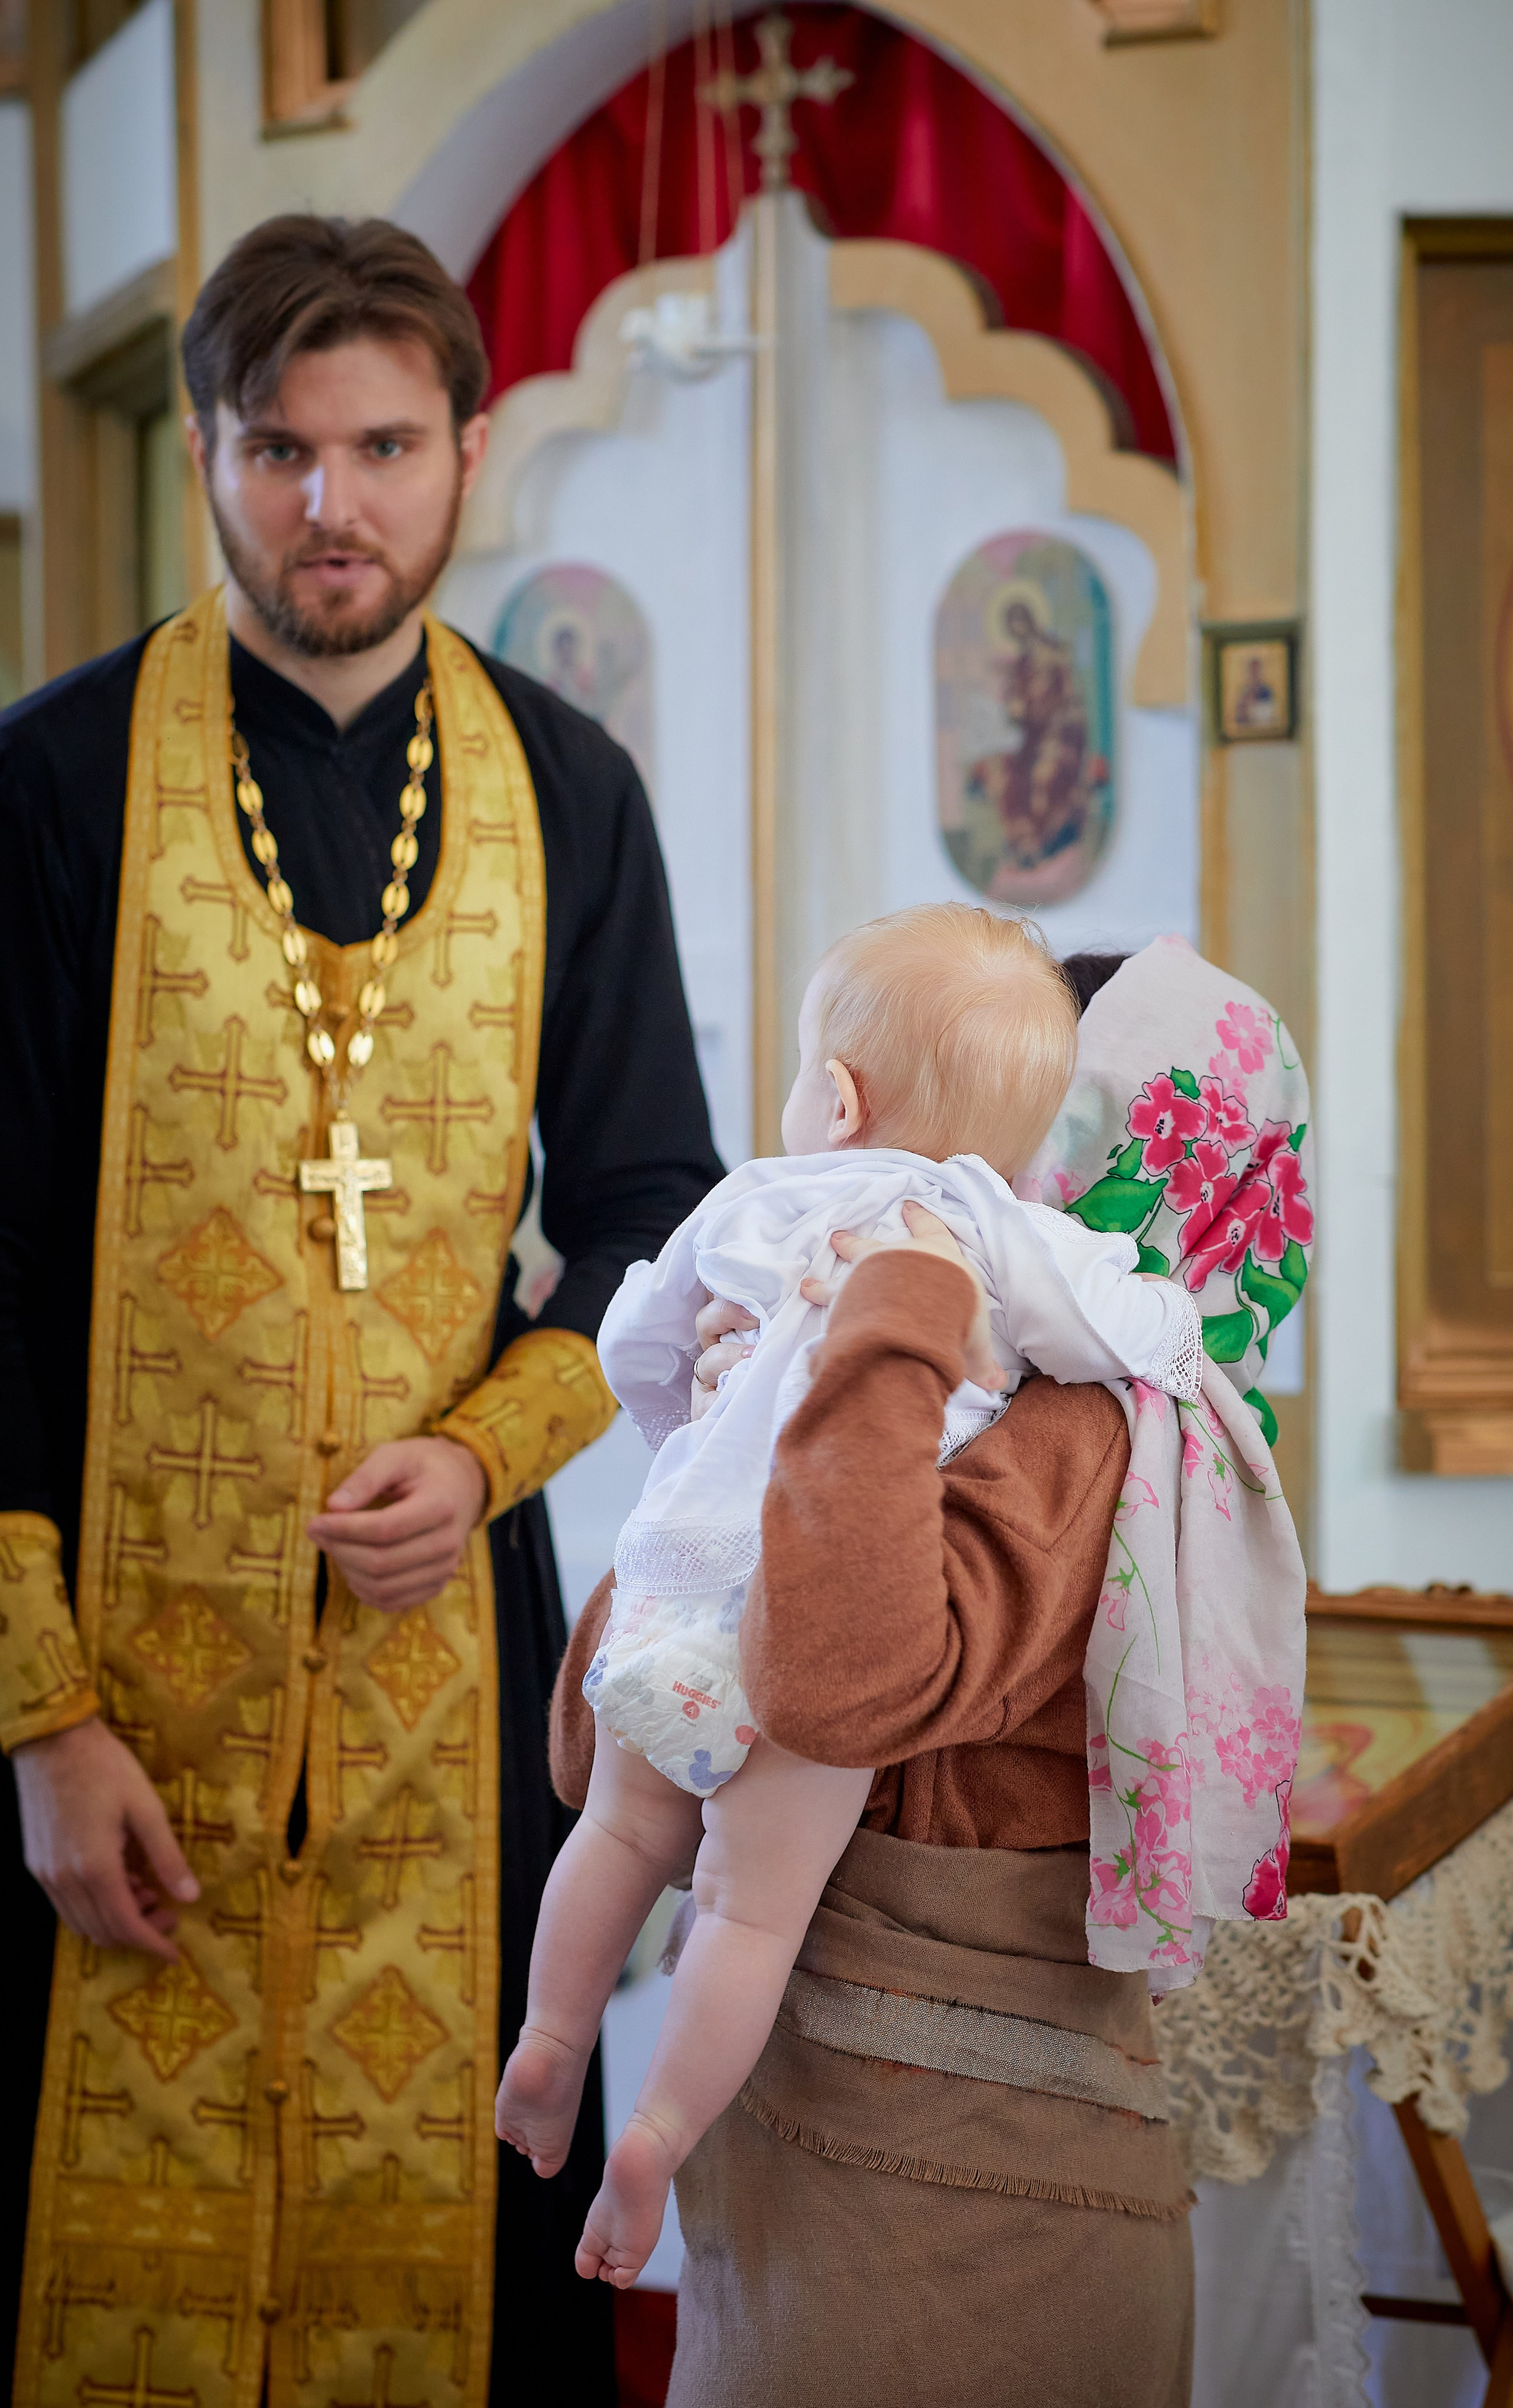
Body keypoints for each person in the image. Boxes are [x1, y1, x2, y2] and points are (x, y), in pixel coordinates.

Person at [0, 214, 720, 2406]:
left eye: (386, 444)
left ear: (471, 450)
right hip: (102, 1672)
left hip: (444, 1670)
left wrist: (490, 1445)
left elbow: (653, 1212)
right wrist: (42, 1716)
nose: (335, 503)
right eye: (282, 448)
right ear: (208, 455)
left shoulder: (571, 795)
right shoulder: (50, 779)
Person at [551, 934, 1312, 2407]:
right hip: (819, 2172)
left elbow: (836, 1696)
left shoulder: (1086, 1431)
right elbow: (605, 1751)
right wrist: (722, 1421)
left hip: (954, 2215)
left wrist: (887, 1323)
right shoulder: (903, 1357)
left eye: (1032, 1123)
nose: (979, 1158)